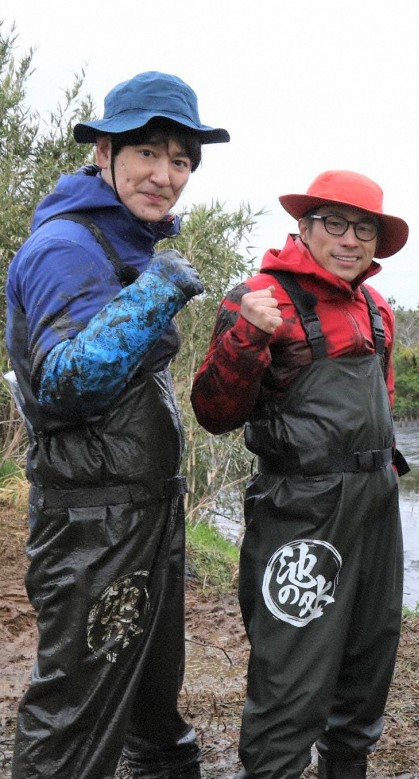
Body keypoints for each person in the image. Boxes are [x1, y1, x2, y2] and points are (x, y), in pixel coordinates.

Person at [3, 71, 227, 779]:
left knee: (151, 698)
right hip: (92, 522)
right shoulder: (66, 247)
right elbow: (66, 381)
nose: (166, 175)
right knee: (75, 705)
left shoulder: (125, 240)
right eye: (147, 154)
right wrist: (158, 290)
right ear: (104, 153)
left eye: (182, 159)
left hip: (143, 513)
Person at [190, 170, 409, 779]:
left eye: (363, 228)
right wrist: (246, 338)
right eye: (334, 224)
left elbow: (382, 408)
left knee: (366, 670)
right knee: (290, 677)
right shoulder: (258, 297)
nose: (349, 239)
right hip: (298, 508)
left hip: (374, 506)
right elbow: (212, 412)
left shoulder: (377, 308)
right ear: (304, 229)